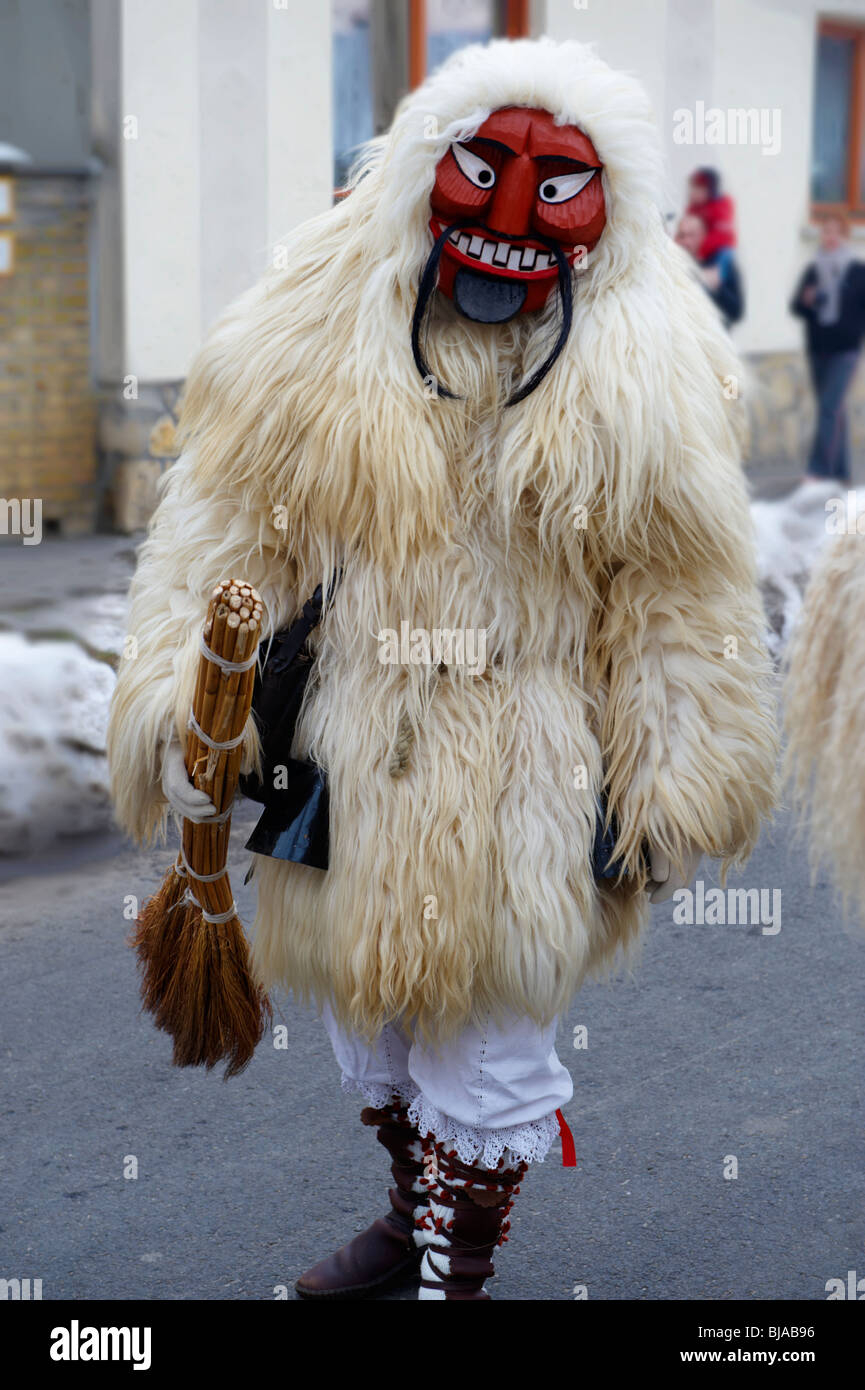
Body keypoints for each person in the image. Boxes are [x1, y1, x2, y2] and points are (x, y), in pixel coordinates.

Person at [107, 38, 777, 1302]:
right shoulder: (320, 324)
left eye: (556, 184)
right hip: (347, 751)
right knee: (373, 1020)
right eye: (481, 169)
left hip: (527, 764)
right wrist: (180, 692)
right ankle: (406, 1220)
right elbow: (225, 520)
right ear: (424, 170)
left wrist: (680, 756)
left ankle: (449, 1267)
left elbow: (680, 591)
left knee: (490, 1037)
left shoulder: (646, 371)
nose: (513, 210)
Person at [791, 214, 865, 484]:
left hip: (846, 352)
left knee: (829, 407)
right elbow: (796, 307)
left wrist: (856, 335)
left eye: (835, 232)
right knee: (834, 410)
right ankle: (841, 472)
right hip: (818, 349)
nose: (830, 238)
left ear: (845, 237)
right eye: (826, 232)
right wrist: (807, 302)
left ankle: (819, 470)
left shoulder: (857, 271)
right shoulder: (813, 271)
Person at [676, 211, 744, 326]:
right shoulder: (672, 268)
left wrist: (717, 288)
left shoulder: (721, 265)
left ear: (703, 235)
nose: (686, 241)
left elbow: (736, 311)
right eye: (682, 235)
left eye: (692, 235)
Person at [686, 166, 737, 259]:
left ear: (711, 189)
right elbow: (686, 229)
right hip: (697, 252)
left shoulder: (722, 205)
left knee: (724, 255)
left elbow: (723, 236)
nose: (693, 192)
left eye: (698, 188)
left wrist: (699, 250)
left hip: (716, 253)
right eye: (693, 188)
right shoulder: (694, 207)